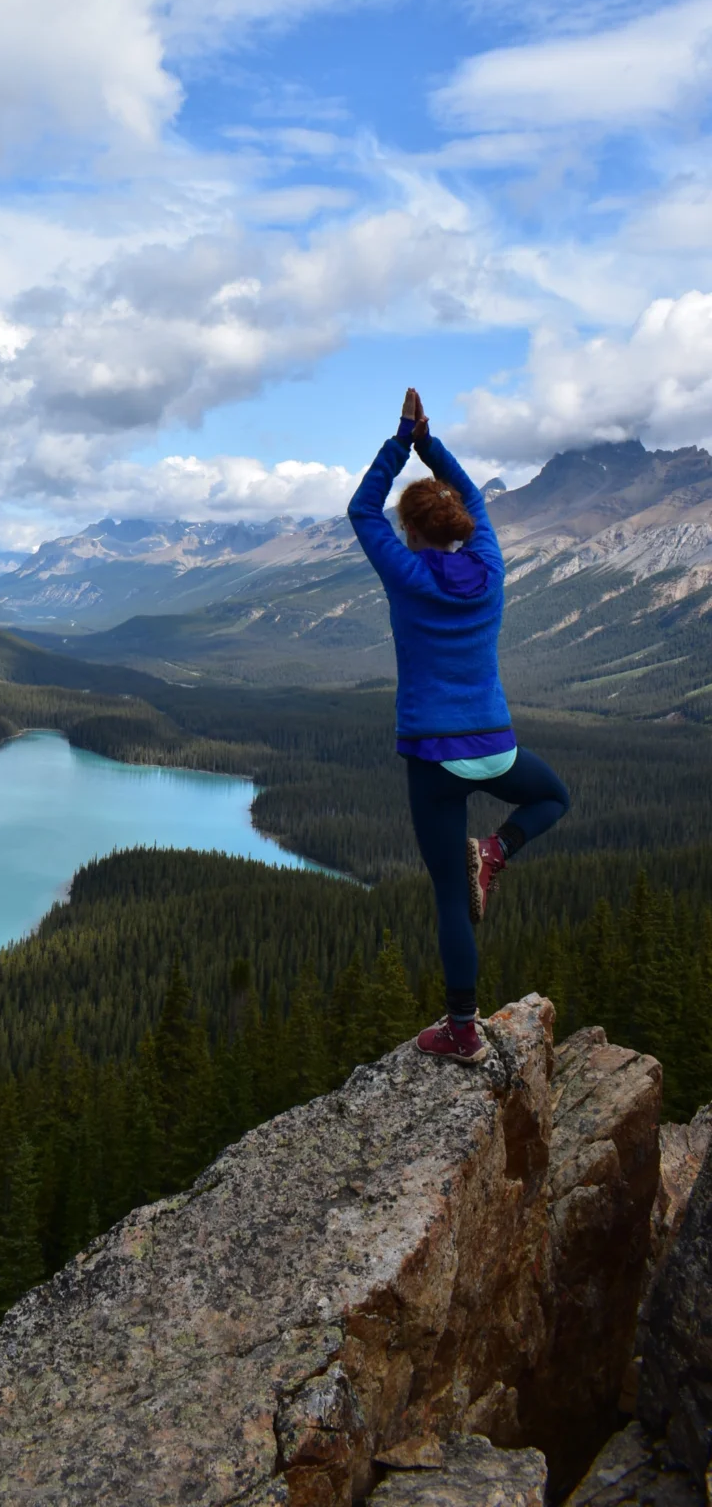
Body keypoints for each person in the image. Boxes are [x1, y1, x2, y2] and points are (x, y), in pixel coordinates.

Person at [348, 388, 570, 1065]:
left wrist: (401, 440)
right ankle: (498, 853)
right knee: (553, 796)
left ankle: (463, 1030)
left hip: (433, 757)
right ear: (461, 527)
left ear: (413, 532)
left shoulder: (408, 573)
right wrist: (430, 445)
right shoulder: (494, 562)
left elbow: (361, 509)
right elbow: (474, 499)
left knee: (451, 892)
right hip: (496, 746)